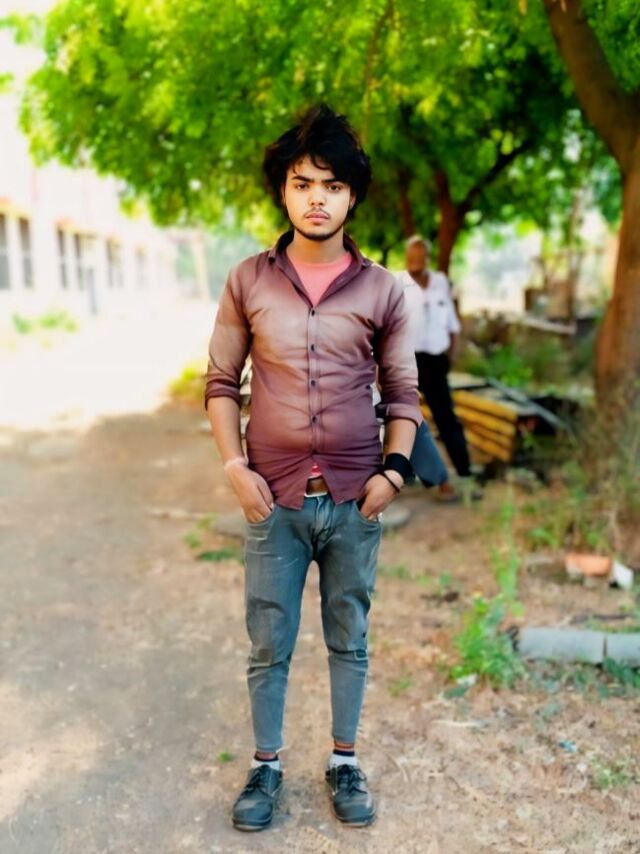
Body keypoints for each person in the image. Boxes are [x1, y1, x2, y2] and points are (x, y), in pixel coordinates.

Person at [204, 104, 421, 832]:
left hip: (357, 501)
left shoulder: (383, 289)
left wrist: (393, 474)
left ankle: (343, 760)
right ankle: (266, 766)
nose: (317, 198)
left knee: (348, 636)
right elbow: (220, 383)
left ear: (352, 196)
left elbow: (404, 392)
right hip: (275, 502)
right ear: (283, 192)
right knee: (269, 640)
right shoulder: (248, 281)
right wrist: (234, 468)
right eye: (302, 184)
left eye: (332, 185)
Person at [396, 235, 478, 502]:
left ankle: (464, 473)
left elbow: (452, 323)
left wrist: (449, 356)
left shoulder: (440, 282)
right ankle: (405, 474)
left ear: (427, 259)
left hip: (435, 361)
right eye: (411, 259)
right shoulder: (398, 285)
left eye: (420, 258)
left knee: (446, 419)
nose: (415, 263)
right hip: (407, 361)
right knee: (405, 419)